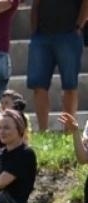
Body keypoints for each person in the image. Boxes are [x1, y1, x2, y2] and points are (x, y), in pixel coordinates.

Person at [27, 0, 88, 131]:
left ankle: (69, 131)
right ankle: (43, 131)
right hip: (41, 36)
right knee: (38, 86)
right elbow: (36, 5)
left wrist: (78, 27)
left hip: (69, 35)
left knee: (70, 86)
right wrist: (34, 32)